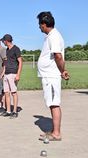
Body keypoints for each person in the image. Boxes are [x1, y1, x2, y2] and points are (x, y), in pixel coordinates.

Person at [37, 11, 69, 141]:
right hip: (48, 76)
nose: (39, 27)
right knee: (51, 103)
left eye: (39, 24)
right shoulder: (51, 36)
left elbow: (58, 56)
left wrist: (63, 71)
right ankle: (54, 131)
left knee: (54, 103)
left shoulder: (54, 36)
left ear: (44, 24)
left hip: (51, 76)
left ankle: (56, 134)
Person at [0, 34, 23, 118]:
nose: (3, 42)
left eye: (3, 41)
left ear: (6, 41)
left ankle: (15, 111)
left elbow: (20, 62)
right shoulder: (7, 50)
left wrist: (18, 74)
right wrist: (3, 72)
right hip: (6, 74)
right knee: (6, 93)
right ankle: (8, 111)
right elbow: (6, 63)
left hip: (13, 73)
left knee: (13, 92)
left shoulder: (16, 49)